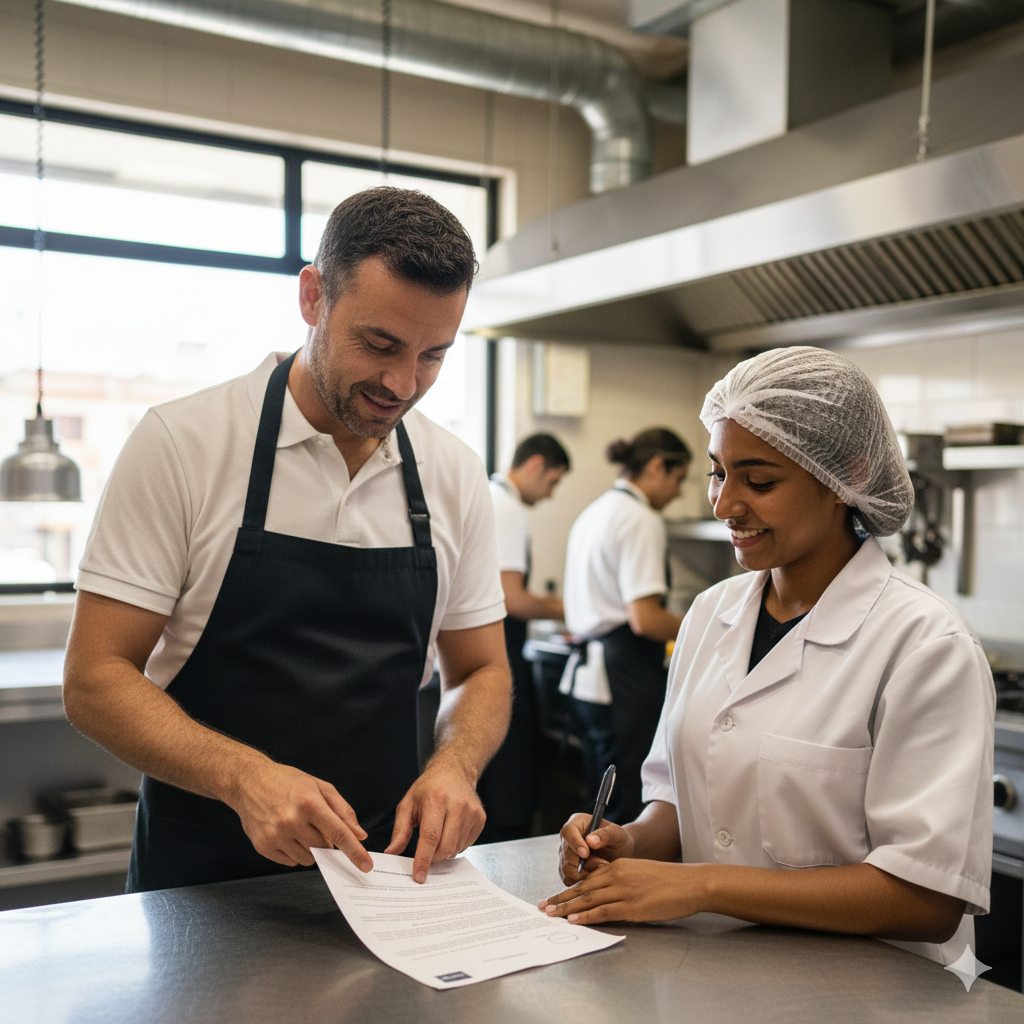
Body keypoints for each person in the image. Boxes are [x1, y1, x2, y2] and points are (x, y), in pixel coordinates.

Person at [63, 187, 512, 892]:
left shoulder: (453, 471)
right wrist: (244, 777)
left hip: (386, 880)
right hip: (200, 883)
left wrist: (455, 766)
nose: (402, 384)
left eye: (433, 355)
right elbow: (95, 678)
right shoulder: (184, 443)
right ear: (312, 297)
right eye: (380, 345)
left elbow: (482, 670)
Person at [540, 347, 994, 967]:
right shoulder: (709, 614)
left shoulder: (925, 644)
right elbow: (679, 799)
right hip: (721, 976)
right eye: (717, 473)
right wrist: (633, 843)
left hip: (870, 993)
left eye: (759, 482)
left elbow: (928, 897)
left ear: (846, 478)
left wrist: (702, 887)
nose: (724, 504)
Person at [561, 428, 691, 825]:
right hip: (621, 677)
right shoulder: (640, 518)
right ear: (656, 466)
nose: (678, 493)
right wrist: (701, 626)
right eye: (679, 478)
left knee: (597, 800)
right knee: (624, 804)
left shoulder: (596, 511)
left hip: (589, 678)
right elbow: (646, 619)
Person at [478, 433, 571, 842]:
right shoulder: (508, 508)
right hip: (500, 648)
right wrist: (572, 608)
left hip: (483, 645)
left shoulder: (487, 496)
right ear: (534, 465)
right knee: (509, 773)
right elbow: (513, 599)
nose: (550, 495)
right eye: (553, 481)